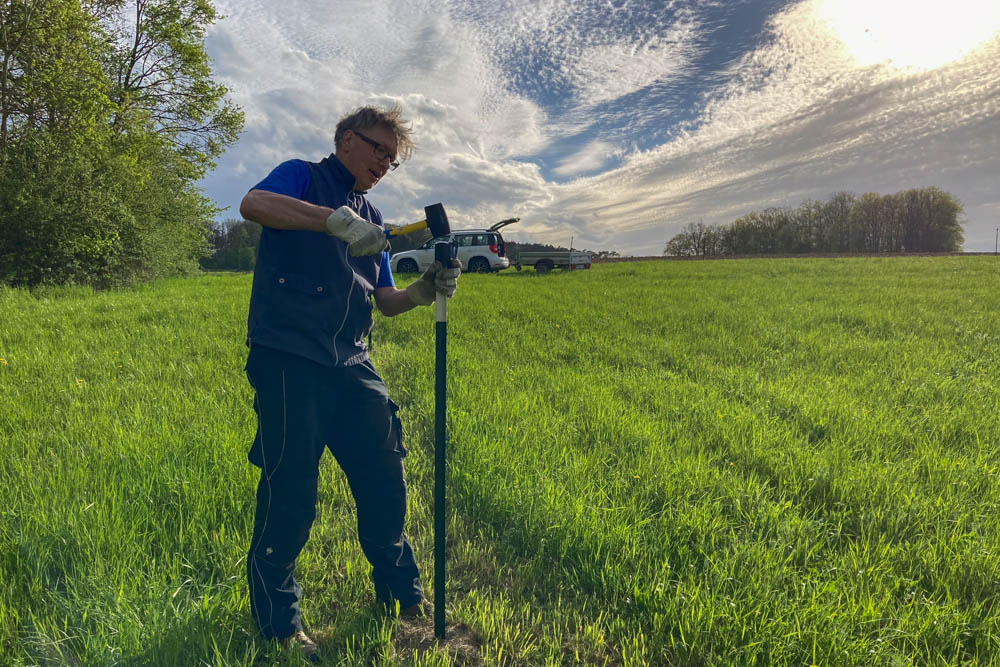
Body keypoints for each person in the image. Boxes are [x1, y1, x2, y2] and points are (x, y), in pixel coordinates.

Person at [238, 105, 460, 660]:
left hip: (351, 362)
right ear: (345, 139)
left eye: (393, 156)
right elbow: (253, 204)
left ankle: (402, 592)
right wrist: (330, 219)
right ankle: (279, 625)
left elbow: (385, 301)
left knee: (385, 478)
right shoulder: (301, 177)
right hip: (289, 358)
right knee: (291, 493)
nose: (386, 162)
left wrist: (423, 290)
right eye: (378, 148)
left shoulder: (373, 214)